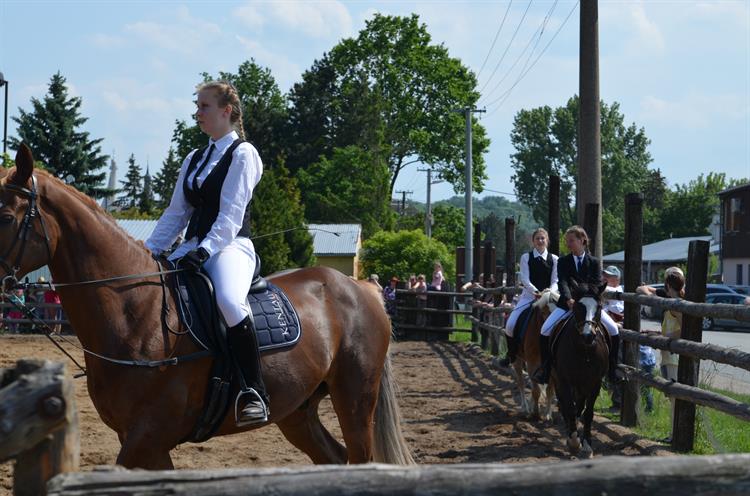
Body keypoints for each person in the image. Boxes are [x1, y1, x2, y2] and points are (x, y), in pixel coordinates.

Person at [145, 80, 268, 426]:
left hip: (230, 248)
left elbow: (230, 215)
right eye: (197, 106)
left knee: (229, 301)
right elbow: (175, 214)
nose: (197, 113)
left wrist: (204, 250)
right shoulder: (195, 158)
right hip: (193, 247)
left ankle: (253, 390)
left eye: (204, 106)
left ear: (226, 111)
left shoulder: (244, 154)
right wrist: (147, 252)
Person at [533, 226, 622, 385]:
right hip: (567, 305)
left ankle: (612, 369)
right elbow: (563, 282)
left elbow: (595, 284)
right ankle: (546, 369)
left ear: (582, 240)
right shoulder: (563, 261)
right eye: (567, 241)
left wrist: (582, 297)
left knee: (614, 330)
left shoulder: (594, 262)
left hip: (589, 307)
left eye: (571, 241)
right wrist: (568, 299)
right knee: (545, 330)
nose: (568, 244)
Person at [636, 266, 685, 436]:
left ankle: (675, 434)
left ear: (667, 284)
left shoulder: (676, 305)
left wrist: (666, 338)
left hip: (674, 357)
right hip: (669, 355)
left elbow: (685, 329)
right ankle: (674, 433)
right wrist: (657, 334)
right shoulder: (670, 301)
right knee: (672, 396)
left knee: (675, 396)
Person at [503, 228, 558, 366]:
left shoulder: (555, 259)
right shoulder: (526, 257)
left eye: (542, 238)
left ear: (547, 241)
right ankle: (511, 354)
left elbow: (556, 280)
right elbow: (525, 279)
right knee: (510, 325)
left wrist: (548, 292)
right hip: (529, 297)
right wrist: (535, 292)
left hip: (549, 297)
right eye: (537, 238)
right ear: (533, 241)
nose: (540, 241)